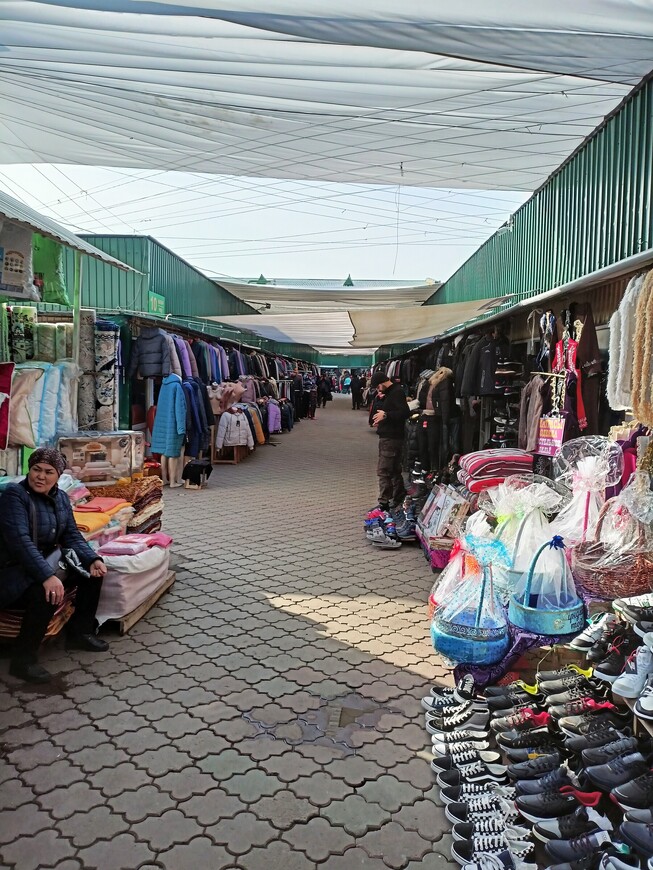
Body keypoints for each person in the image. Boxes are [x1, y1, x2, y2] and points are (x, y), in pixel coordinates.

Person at [0, 448, 109, 683]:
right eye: (36, 469)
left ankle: (80, 633)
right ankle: (23, 660)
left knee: (92, 573)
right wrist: (47, 575)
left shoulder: (60, 498)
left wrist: (92, 559)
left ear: (58, 475)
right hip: (12, 570)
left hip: (43, 562)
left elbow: (71, 534)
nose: (41, 476)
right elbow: (20, 542)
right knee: (45, 593)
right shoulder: (14, 496)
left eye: (48, 472)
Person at [369, 372, 410, 511]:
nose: (378, 390)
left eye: (378, 387)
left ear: (382, 383)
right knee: (392, 470)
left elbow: (404, 412)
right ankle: (397, 498)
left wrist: (385, 415)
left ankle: (384, 502)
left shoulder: (396, 393)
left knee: (384, 470)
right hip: (391, 436)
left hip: (391, 438)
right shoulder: (393, 392)